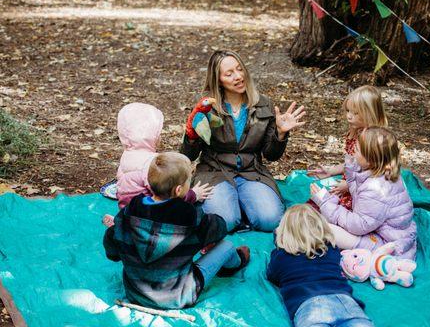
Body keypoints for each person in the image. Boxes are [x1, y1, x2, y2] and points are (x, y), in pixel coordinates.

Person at [267, 204, 418, 327]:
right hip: (344, 302)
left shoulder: (280, 257)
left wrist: (279, 244)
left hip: (308, 307)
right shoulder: (330, 249)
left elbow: (272, 275)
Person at [103, 152, 250, 309]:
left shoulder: (129, 211)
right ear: (179, 190)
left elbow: (112, 249)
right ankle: (236, 262)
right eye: (189, 182)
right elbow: (219, 228)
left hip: (135, 293)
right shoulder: (188, 215)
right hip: (180, 295)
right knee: (226, 246)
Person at [181, 50, 306, 232]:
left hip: (251, 172)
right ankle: (233, 207)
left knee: (271, 220)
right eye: (229, 73)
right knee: (225, 221)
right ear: (218, 80)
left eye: (240, 69)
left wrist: (280, 134)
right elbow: (188, 155)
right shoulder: (208, 107)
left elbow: (271, 155)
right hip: (215, 172)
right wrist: (191, 135)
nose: (238, 77)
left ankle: (244, 205)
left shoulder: (263, 104)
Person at [310, 127, 417, 259]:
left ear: (370, 160)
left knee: (325, 229)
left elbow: (358, 225)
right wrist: (350, 167)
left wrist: (325, 202)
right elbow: (357, 189)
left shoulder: (375, 189)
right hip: (389, 231)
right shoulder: (378, 170)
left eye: (358, 149)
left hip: (388, 244)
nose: (354, 148)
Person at [102, 103, 212, 227]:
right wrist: (194, 194)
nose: (160, 137)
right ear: (150, 137)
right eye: (158, 134)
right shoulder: (153, 163)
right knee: (192, 214)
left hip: (127, 209)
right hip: (150, 216)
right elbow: (167, 194)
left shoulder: (127, 155)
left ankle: (122, 222)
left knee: (130, 215)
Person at [308, 86, 387, 210]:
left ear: (371, 114)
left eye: (356, 113)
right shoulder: (355, 131)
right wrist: (331, 171)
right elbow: (352, 163)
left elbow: (376, 174)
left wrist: (349, 186)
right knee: (315, 202)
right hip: (348, 185)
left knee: (327, 210)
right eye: (348, 111)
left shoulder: (373, 140)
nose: (349, 116)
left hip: (363, 192)